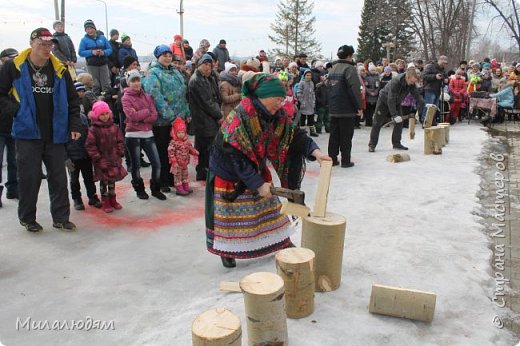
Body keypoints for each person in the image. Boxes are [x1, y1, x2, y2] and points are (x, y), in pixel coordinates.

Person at [206, 73, 331, 268]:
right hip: (229, 171)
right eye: (277, 99)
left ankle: (281, 240)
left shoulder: (277, 115)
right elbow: (235, 156)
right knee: (231, 216)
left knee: (270, 207)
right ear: (263, 97)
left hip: (255, 164)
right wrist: (256, 183)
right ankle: (228, 250)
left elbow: (293, 135)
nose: (280, 104)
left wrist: (315, 151)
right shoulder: (239, 117)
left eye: (283, 99)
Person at [0, 27, 82, 231]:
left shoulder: (60, 68)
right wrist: (17, 110)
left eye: (50, 44)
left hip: (55, 132)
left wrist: (74, 124)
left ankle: (61, 218)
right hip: (27, 133)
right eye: (42, 44)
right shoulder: (14, 66)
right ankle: (28, 218)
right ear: (32, 44)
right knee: (29, 178)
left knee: (59, 178)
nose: (47, 48)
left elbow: (73, 100)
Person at [142, 44, 190, 192]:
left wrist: (186, 112)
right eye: (164, 55)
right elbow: (156, 97)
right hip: (162, 122)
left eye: (169, 55)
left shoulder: (175, 72)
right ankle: (162, 181)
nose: (168, 57)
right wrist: (170, 116)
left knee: (176, 152)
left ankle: (172, 179)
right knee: (163, 152)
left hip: (178, 120)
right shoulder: (153, 74)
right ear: (158, 57)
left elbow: (183, 94)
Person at [121, 70, 166, 201]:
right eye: (133, 81)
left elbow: (154, 115)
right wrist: (146, 112)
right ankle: (139, 189)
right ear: (128, 83)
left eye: (138, 80)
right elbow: (131, 116)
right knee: (136, 165)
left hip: (148, 133)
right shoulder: (125, 97)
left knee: (156, 163)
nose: (136, 83)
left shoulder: (147, 96)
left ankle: (155, 189)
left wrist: (141, 115)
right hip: (132, 135)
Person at [369, 68, 425, 152]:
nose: (413, 84)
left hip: (396, 102)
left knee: (399, 123)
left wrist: (424, 103)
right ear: (407, 77)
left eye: (414, 82)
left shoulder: (411, 84)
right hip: (384, 101)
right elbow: (390, 99)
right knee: (377, 122)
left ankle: (396, 143)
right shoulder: (396, 82)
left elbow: (416, 95)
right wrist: (394, 115)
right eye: (412, 81)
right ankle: (372, 145)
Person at [66, 82, 102, 210]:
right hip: (72, 156)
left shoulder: (82, 117)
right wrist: (65, 157)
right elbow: (61, 141)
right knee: (74, 180)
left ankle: (92, 197)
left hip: (85, 154)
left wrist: (92, 150)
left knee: (89, 177)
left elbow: (89, 134)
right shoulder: (62, 120)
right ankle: (77, 199)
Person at [85, 101, 127, 213]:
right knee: (104, 182)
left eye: (106, 114)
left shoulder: (114, 127)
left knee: (112, 181)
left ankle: (113, 199)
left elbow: (120, 140)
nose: (105, 116)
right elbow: (90, 146)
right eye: (101, 114)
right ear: (96, 115)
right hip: (101, 161)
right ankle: (105, 201)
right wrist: (98, 158)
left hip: (113, 158)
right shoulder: (93, 129)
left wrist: (120, 152)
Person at [188, 54, 222, 181]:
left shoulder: (209, 78)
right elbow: (207, 102)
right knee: (206, 147)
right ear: (199, 65)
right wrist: (219, 115)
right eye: (205, 64)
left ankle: (204, 171)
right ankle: (204, 171)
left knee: (205, 146)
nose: (208, 67)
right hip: (203, 118)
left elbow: (215, 98)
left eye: (210, 65)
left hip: (208, 118)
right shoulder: (197, 80)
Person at [327, 44, 362, 168]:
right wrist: (359, 107)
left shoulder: (333, 68)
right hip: (347, 109)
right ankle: (346, 160)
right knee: (346, 135)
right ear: (349, 56)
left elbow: (328, 88)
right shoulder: (350, 69)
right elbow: (354, 89)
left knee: (334, 135)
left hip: (333, 107)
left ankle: (332, 158)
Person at [0, 48, 19, 206]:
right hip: (1, 127)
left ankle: (13, 189)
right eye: (11, 58)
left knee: (14, 161)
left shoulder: (17, 76)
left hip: (13, 126)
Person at [78, 19, 112, 95]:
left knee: (106, 83)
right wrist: (92, 52)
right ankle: (94, 101)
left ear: (94, 28)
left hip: (103, 64)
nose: (90, 30)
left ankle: (107, 100)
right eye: (87, 29)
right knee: (95, 85)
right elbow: (80, 52)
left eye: (91, 28)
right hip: (92, 65)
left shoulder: (102, 38)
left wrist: (103, 52)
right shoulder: (84, 40)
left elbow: (110, 49)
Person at [168, 117, 199, 196]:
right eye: (179, 133)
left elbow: (190, 148)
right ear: (174, 133)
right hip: (177, 164)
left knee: (185, 174)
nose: (181, 134)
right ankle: (179, 188)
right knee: (178, 176)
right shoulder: (173, 143)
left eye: (182, 132)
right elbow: (171, 153)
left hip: (184, 163)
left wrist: (194, 152)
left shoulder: (186, 141)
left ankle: (185, 185)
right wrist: (174, 161)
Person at [421, 55, 449, 124]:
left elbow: (445, 77)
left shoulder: (443, 69)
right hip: (429, 89)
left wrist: (446, 80)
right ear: (439, 60)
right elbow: (424, 75)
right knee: (429, 106)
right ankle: (425, 120)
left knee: (435, 107)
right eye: (443, 63)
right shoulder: (430, 66)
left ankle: (432, 120)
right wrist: (435, 76)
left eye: (445, 63)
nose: (444, 64)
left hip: (438, 89)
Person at [297, 69, 318, 136]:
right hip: (304, 103)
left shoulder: (312, 83)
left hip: (310, 103)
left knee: (311, 117)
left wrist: (314, 101)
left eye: (310, 75)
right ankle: (302, 131)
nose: (308, 77)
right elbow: (298, 93)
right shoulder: (302, 83)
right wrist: (302, 101)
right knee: (303, 117)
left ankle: (312, 131)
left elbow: (313, 93)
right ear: (304, 76)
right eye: (307, 75)